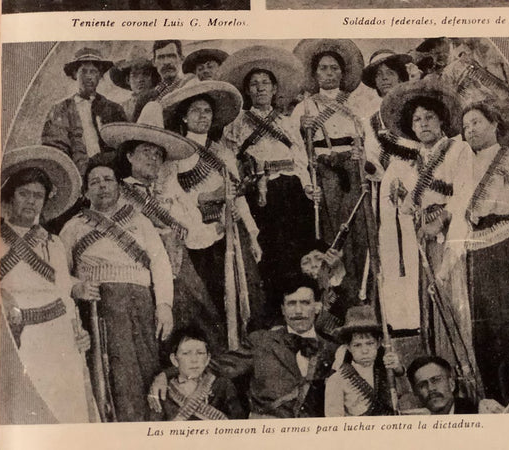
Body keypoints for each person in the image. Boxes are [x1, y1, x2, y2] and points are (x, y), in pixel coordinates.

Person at [378, 78, 480, 399]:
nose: (423, 124)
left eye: (429, 118)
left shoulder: (457, 148)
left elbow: (465, 193)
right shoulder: (416, 158)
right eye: (417, 120)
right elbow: (410, 207)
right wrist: (401, 197)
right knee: (431, 303)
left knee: (453, 302)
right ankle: (439, 375)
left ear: (441, 121)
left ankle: (463, 382)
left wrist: (441, 221)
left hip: (452, 238)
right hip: (425, 239)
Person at [60, 157, 174, 422]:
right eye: (94, 182)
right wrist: (76, 287)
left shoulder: (140, 222)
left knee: (147, 368)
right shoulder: (73, 227)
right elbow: (59, 275)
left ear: (119, 186)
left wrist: (165, 305)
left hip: (142, 305)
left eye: (108, 180)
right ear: (85, 192)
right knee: (115, 377)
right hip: (100, 306)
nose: (102, 187)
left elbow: (160, 263)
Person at [156, 80, 265, 347]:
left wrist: (252, 234)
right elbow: (169, 200)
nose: (202, 116)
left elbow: (238, 198)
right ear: (184, 116)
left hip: (228, 232)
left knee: (238, 293)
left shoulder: (223, 153)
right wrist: (205, 201)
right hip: (193, 237)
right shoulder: (175, 156)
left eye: (207, 111)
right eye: (196, 111)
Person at [443, 102, 509, 405]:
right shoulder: (462, 167)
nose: (470, 130)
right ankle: (492, 400)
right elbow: (460, 215)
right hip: (475, 253)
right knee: (481, 330)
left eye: (476, 122)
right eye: (466, 125)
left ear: (494, 123)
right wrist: (447, 263)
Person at [220, 45, 319, 321]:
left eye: (265, 83)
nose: (260, 88)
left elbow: (299, 159)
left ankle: (301, 314)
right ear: (247, 91)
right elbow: (234, 167)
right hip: (260, 195)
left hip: (292, 193)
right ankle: (275, 317)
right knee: (269, 255)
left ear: (275, 89)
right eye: (254, 84)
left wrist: (308, 187)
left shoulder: (287, 122)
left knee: (297, 251)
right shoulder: (236, 126)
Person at [149, 274, 338, 419]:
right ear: (282, 309)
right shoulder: (261, 342)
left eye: (305, 303)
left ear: (318, 307)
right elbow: (212, 365)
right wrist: (166, 374)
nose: (298, 311)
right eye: (291, 304)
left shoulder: (333, 350)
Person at [0, 146, 94, 423]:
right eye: (24, 193)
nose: (31, 201)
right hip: (18, 337)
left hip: (58, 335)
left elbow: (64, 292)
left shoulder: (53, 243)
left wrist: (78, 331)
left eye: (38, 196)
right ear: (10, 196)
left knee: (66, 412)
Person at [100, 114, 212, 339]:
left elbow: (190, 230)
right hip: (145, 272)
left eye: (158, 155)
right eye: (146, 152)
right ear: (130, 156)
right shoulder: (118, 195)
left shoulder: (167, 194)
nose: (153, 159)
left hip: (182, 268)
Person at [291, 39, 373, 303]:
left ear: (342, 73)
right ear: (315, 74)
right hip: (323, 176)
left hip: (352, 172)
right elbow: (296, 152)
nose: (328, 73)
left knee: (356, 233)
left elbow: (368, 140)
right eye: (323, 68)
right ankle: (331, 297)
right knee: (329, 237)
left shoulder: (356, 105)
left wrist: (364, 156)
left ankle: (360, 295)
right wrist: (307, 183)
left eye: (334, 68)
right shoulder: (303, 108)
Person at [42, 47, 127, 177]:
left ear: (100, 76)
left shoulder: (113, 109)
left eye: (93, 72)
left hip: (110, 174)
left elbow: (123, 147)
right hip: (75, 175)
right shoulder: (60, 109)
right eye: (83, 71)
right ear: (75, 74)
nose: (88, 76)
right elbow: (55, 147)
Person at [325, 305, 404, 417]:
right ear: (348, 347)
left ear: (378, 343)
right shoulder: (336, 380)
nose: (365, 350)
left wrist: (398, 370)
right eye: (357, 345)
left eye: (370, 343)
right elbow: (334, 424)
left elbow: (406, 398)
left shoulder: (386, 372)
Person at [153, 327, 245, 421]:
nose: (194, 360)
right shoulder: (164, 393)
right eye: (186, 353)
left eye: (200, 353)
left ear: (207, 359)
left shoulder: (222, 386)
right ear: (174, 360)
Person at [361, 49, 418, 177]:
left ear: (400, 77)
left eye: (390, 73)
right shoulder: (371, 119)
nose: (384, 78)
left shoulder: (415, 108)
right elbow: (372, 159)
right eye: (379, 74)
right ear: (375, 82)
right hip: (386, 184)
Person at [407, 356, 504, 415]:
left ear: (452, 384)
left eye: (436, 380)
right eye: (422, 385)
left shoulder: (479, 413)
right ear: (416, 392)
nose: (431, 388)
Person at [109, 46, 161, 121]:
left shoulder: (160, 100)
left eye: (146, 74)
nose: (140, 80)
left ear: (152, 78)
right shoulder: (121, 108)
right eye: (135, 75)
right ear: (128, 80)